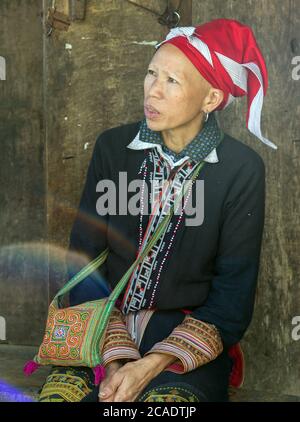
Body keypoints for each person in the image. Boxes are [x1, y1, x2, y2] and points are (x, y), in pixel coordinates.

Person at [38, 18, 276, 402]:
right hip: (100, 328)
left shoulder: (240, 169)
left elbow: (233, 294)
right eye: (152, 74)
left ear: (211, 99)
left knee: (164, 408)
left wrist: (148, 365)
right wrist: (114, 361)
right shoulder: (113, 148)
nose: (153, 91)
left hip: (180, 342)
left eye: (172, 81)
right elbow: (82, 259)